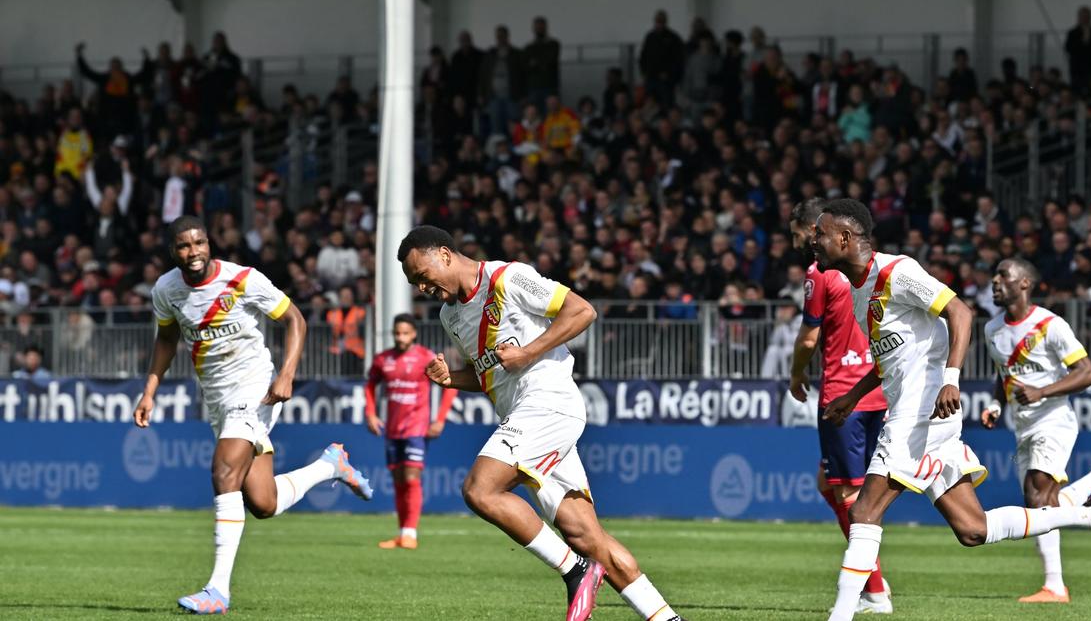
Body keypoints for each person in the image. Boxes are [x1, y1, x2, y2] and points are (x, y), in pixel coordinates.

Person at [809, 199, 1091, 621]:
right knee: (973, 530)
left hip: (918, 416)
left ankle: (841, 616)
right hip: (923, 417)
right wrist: (853, 397)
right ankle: (1090, 515)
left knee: (863, 511)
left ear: (844, 237)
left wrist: (951, 377)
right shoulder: (859, 293)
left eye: (819, 233)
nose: (813, 241)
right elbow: (893, 359)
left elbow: (959, 312)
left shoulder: (897, 271)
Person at [398, 226, 685, 621]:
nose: (421, 287)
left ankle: (575, 571)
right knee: (586, 535)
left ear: (445, 255)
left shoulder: (507, 278)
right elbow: (490, 375)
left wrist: (529, 351)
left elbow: (582, 310)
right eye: (414, 283)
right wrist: (452, 379)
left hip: (550, 403)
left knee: (480, 490)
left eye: (422, 275)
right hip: (525, 415)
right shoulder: (451, 316)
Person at [133, 216, 374, 615]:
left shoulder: (242, 279)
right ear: (172, 251)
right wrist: (149, 392)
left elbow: (294, 318)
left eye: (199, 243)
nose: (193, 252)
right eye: (183, 246)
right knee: (262, 503)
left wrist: (286, 374)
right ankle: (329, 466)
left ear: (209, 243)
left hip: (255, 387)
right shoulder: (167, 289)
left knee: (224, 472)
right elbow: (167, 337)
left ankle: (217, 590)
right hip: (217, 397)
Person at [981, 258, 1091, 603]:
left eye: (1003, 276)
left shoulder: (1050, 325)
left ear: (1024, 283)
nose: (996, 282)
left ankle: (1056, 584)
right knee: (1042, 504)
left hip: (1054, 419)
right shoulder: (992, 329)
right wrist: (997, 404)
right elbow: (1004, 373)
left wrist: (1041, 392)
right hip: (1022, 424)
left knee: (1038, 495)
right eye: (995, 276)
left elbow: (1087, 372)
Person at [787, 200, 891, 614]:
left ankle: (876, 592)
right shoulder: (872, 266)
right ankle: (872, 586)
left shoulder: (820, 273)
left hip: (844, 393)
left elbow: (810, 338)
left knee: (849, 492)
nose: (801, 241)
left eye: (800, 233)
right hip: (878, 388)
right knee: (828, 483)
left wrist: (796, 374)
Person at [365, 313, 458, 550]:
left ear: (414, 333)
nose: (401, 337)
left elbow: (450, 387)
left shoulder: (425, 358)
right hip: (392, 429)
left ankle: (410, 533)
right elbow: (370, 385)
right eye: (397, 333)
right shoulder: (383, 359)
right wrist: (370, 413)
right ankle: (402, 533)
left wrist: (439, 419)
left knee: (411, 478)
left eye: (405, 333)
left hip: (417, 428)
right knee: (398, 481)